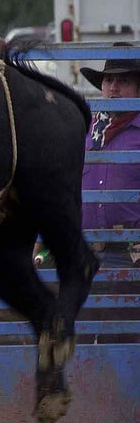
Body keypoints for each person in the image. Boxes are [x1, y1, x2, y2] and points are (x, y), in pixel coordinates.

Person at [79, 49, 140, 267]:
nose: (113, 87)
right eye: (108, 80)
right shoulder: (87, 129)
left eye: (123, 81)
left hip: (131, 253)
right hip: (84, 249)